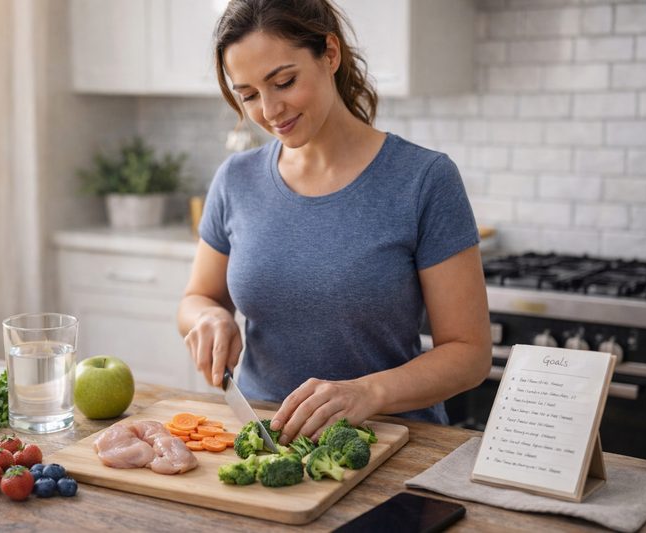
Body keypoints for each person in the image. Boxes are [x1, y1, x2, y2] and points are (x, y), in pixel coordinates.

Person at [177, 0, 492, 447]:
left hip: (394, 444)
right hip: (267, 442)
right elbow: (197, 297)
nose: (268, 110)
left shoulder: (424, 179)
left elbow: (470, 354)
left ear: (330, 53)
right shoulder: (236, 178)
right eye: (247, 94)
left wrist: (367, 392)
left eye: (283, 81)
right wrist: (208, 317)